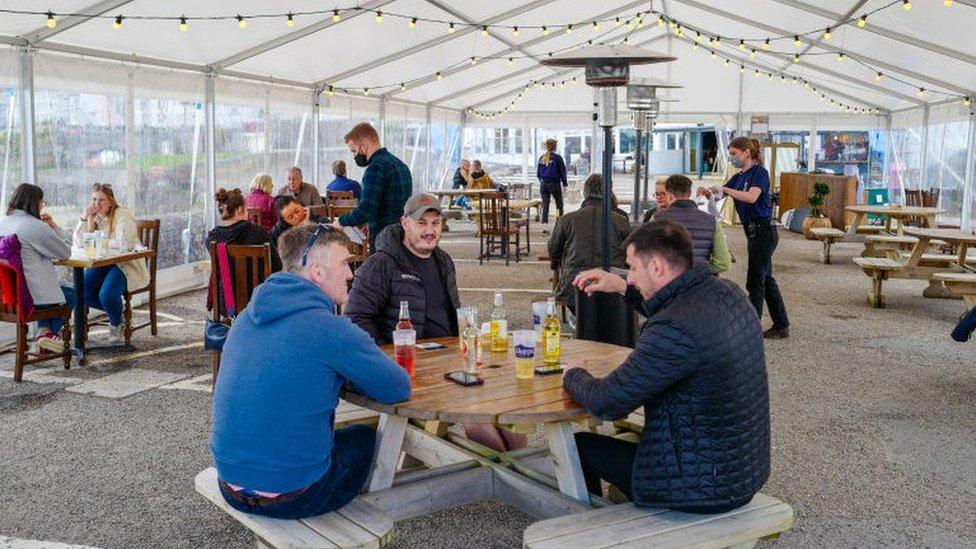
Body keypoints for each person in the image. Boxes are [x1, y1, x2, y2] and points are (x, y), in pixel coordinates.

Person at [564, 221, 770, 513]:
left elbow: (607, 402)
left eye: (633, 268)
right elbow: (673, 305)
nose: (631, 277)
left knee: (580, 446)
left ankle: (593, 532)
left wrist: (573, 373)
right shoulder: (728, 293)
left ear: (658, 267)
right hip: (740, 471)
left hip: (699, 488)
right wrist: (621, 287)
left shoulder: (674, 328)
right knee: (632, 435)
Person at [211, 223, 412, 520]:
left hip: (229, 485)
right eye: (345, 263)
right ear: (317, 272)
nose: (350, 274)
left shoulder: (243, 318)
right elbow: (397, 388)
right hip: (294, 497)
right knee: (367, 438)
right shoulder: (330, 329)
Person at [699, 137, 789, 338]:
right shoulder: (738, 176)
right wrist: (709, 192)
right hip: (751, 232)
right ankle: (781, 324)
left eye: (734, 154)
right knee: (766, 279)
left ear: (747, 152)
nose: (732, 158)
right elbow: (721, 195)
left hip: (764, 231)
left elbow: (751, 197)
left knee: (755, 281)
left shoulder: (760, 173)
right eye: (730, 154)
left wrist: (726, 189)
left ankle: (751, 328)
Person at [345, 193, 459, 344]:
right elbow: (355, 319)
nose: (430, 231)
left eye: (435, 223)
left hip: (447, 355)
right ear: (405, 223)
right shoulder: (379, 265)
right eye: (421, 223)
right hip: (404, 360)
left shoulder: (445, 261)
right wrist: (389, 355)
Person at [0, 183, 75, 353]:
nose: (43, 205)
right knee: (73, 294)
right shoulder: (35, 226)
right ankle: (45, 333)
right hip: (31, 297)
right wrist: (54, 227)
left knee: (60, 292)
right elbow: (64, 252)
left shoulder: (3, 223)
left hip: (8, 296)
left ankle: (44, 335)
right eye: (42, 201)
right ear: (35, 203)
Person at [74, 183, 149, 345]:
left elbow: (124, 243)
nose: (96, 204)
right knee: (81, 292)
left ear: (111, 201)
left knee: (106, 295)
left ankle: (115, 323)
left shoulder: (123, 215)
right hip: (101, 263)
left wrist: (96, 241)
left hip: (125, 264)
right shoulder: (93, 217)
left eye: (101, 200)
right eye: (94, 199)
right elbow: (79, 241)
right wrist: (83, 217)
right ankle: (117, 314)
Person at [547, 174, 631, 307]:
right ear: (609, 191)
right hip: (612, 286)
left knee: (582, 318)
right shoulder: (621, 221)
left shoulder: (567, 220)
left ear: (585, 193)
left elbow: (553, 249)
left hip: (574, 287)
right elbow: (630, 255)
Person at [337, 122, 413, 252]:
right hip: (403, 235)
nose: (354, 156)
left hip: (383, 239)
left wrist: (340, 222)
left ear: (364, 146)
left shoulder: (375, 168)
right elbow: (388, 203)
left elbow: (365, 211)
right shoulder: (401, 165)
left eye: (354, 151)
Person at [654, 175, 731, 275]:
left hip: (668, 282)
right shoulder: (712, 221)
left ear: (669, 194)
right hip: (700, 285)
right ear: (690, 193)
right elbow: (723, 263)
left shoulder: (657, 220)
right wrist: (697, 272)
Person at [206, 188, 282, 274]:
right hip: (258, 287)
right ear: (240, 209)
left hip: (225, 287)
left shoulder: (211, 239)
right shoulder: (258, 232)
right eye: (246, 209)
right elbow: (277, 266)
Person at [537, 138, 567, 223]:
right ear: (555, 147)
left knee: (545, 204)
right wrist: (564, 183)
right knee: (559, 204)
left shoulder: (541, 158)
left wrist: (542, 181)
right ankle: (559, 219)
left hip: (543, 184)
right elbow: (562, 171)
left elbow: (538, 174)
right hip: (554, 184)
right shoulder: (557, 158)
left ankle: (544, 221)